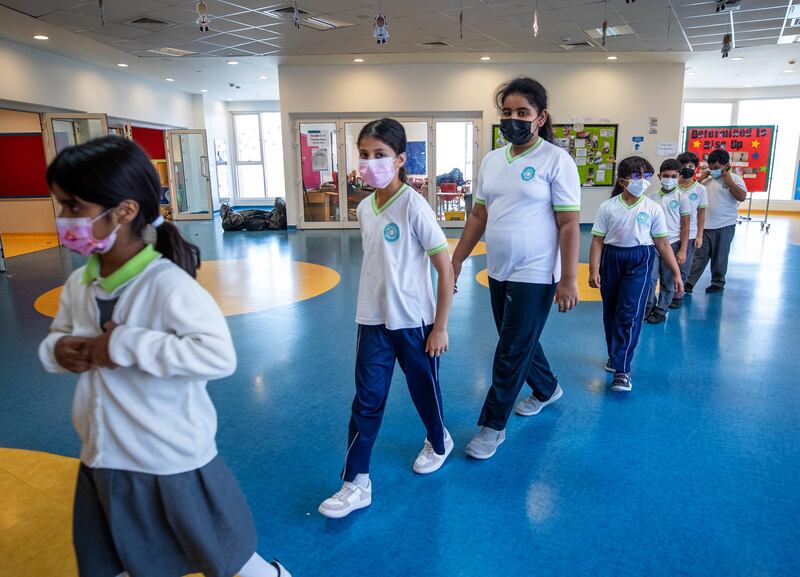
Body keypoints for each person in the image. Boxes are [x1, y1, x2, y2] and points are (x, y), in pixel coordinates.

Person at [38, 136, 290, 577]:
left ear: (125, 210)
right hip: (104, 455)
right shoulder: (80, 285)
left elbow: (217, 356)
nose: (63, 219)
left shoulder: (166, 285)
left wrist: (125, 344)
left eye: (73, 206)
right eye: (61, 205)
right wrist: (58, 350)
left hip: (169, 460)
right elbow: (58, 335)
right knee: (119, 558)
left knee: (225, 558)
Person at [319, 118, 454, 519]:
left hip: (415, 322)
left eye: (380, 155)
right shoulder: (363, 208)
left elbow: (444, 269)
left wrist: (441, 325)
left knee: (423, 391)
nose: (370, 162)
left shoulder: (414, 205)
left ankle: (438, 439)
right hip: (372, 321)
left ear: (399, 160)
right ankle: (355, 481)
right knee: (367, 400)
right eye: (364, 155)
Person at [451, 77, 581, 460]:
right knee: (520, 341)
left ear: (540, 117)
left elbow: (569, 223)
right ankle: (546, 388)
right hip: (499, 269)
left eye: (522, 113)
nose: (513, 120)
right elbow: (477, 216)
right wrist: (456, 259)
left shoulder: (556, 160)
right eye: (507, 113)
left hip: (537, 272)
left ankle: (492, 425)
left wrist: (569, 279)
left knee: (510, 349)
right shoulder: (492, 160)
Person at [588, 156, 683, 392]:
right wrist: (593, 269)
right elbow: (598, 241)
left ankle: (623, 369)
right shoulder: (607, 207)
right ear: (622, 180)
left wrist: (676, 273)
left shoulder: (652, 208)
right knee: (610, 311)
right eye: (637, 176)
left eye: (647, 176)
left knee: (629, 313)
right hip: (612, 259)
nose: (643, 181)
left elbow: (662, 243)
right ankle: (614, 355)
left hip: (640, 259)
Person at [685, 149, 747, 294]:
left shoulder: (735, 179)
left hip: (725, 225)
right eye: (711, 168)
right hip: (705, 226)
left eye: (717, 168)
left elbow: (741, 197)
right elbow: (691, 191)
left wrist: (728, 180)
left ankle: (717, 282)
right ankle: (689, 282)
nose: (713, 171)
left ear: (726, 165)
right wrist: (702, 176)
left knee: (720, 256)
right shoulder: (707, 181)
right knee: (699, 256)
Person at [644, 159, 690, 324]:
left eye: (673, 176)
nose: (669, 179)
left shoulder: (682, 198)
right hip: (654, 244)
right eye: (665, 176)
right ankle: (648, 307)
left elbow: (685, 225)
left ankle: (661, 310)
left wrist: (683, 249)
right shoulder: (651, 197)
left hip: (674, 244)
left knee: (668, 280)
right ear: (659, 176)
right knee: (650, 279)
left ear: (679, 177)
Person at [671, 151, 708, 308]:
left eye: (691, 166)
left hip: (691, 234)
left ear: (696, 168)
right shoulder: (673, 187)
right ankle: (668, 292)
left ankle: (678, 295)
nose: (687, 168)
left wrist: (699, 235)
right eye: (684, 166)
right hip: (672, 233)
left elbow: (701, 213)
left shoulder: (700, 189)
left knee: (684, 266)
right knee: (670, 266)